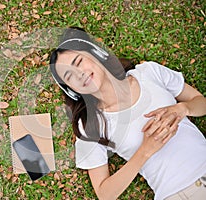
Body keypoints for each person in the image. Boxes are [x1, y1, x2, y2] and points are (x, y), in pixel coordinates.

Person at [49, 27, 206, 200]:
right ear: (71, 90)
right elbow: (104, 194)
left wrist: (183, 108)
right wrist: (145, 151)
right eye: (69, 76)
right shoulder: (90, 125)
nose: (79, 75)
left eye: (79, 62)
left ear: (96, 53)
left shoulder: (149, 72)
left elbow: (201, 102)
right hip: (180, 194)